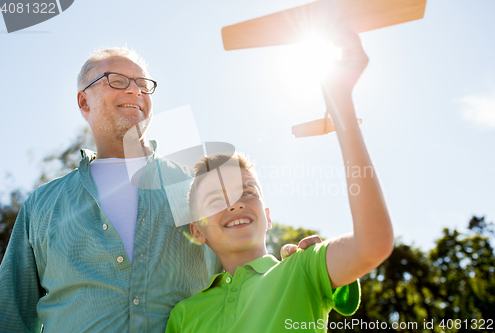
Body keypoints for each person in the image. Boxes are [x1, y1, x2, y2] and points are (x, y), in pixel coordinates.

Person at [0, 47, 315, 333]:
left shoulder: (195, 188)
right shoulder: (42, 204)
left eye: (143, 84)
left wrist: (289, 267)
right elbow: (8, 317)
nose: (135, 90)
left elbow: (246, 272)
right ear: (84, 100)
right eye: (117, 80)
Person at [165, 28, 394, 333]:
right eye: (217, 200)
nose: (235, 204)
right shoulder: (184, 316)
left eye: (246, 191)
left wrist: (342, 106)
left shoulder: (303, 268)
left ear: (267, 216)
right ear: (197, 231)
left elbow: (373, 244)